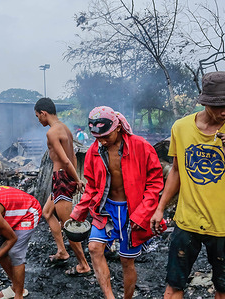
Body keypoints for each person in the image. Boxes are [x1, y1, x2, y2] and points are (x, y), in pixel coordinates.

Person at [150, 71, 225, 299]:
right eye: (220, 106)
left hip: (224, 224)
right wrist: (160, 208)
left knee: (223, 288)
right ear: (205, 101)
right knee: (173, 287)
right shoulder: (181, 128)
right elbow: (177, 172)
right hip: (187, 221)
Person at [70, 106, 167, 299]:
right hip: (106, 209)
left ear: (117, 128)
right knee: (94, 248)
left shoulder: (141, 146)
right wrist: (78, 212)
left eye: (106, 136)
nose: (102, 141)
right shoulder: (94, 151)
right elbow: (91, 186)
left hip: (133, 211)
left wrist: (143, 213)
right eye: (98, 137)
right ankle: (109, 297)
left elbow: (155, 182)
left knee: (126, 261)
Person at [34, 97, 92, 276]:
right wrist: (74, 179)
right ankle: (62, 251)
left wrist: (77, 180)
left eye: (38, 116)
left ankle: (84, 265)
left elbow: (66, 161)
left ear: (44, 113)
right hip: (65, 178)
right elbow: (73, 157)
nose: (38, 120)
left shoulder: (52, 132)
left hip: (61, 179)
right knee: (47, 213)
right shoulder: (65, 128)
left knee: (68, 226)